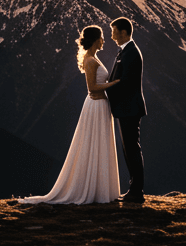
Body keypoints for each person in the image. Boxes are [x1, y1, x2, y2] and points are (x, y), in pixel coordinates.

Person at [18, 24, 120, 204]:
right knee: (94, 144)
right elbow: (92, 88)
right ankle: (94, 189)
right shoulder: (90, 61)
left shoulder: (93, 58)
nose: (104, 40)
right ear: (96, 40)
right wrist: (114, 84)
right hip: (96, 105)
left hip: (99, 106)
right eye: (102, 37)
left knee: (97, 144)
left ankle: (98, 188)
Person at [106, 16, 146, 203]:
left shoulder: (131, 52)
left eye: (114, 32)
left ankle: (137, 191)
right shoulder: (125, 51)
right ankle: (134, 189)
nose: (112, 36)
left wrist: (105, 91)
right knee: (129, 149)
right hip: (126, 109)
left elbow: (126, 83)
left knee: (132, 149)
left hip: (130, 109)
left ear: (123, 32)